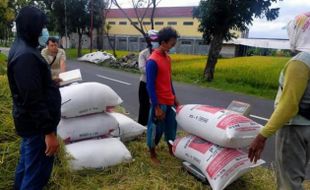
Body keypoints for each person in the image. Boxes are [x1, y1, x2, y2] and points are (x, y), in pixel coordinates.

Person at [248, 12, 310, 190]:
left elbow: (289, 106)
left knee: (289, 182)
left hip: (295, 130)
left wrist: (262, 135)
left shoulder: (301, 62)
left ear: (299, 33)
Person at [7, 6, 61, 189]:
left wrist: (49, 82)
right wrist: (49, 132)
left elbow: (31, 86)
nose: (42, 30)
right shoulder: (26, 56)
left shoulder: (24, 48)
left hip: (31, 125)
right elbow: (33, 99)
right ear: (32, 27)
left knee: (27, 167)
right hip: (37, 128)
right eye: (40, 26)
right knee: (36, 176)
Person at [146, 27, 180, 164]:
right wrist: (156, 107)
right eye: (171, 43)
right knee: (156, 130)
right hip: (159, 102)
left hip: (170, 101)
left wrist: (175, 98)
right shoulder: (152, 61)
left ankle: (171, 149)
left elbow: (168, 80)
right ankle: (152, 153)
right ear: (163, 42)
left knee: (171, 128)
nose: (173, 46)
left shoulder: (168, 59)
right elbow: (150, 86)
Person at [138, 30, 159, 126]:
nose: (154, 43)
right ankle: (142, 126)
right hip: (145, 83)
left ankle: (153, 126)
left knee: (156, 106)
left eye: (156, 41)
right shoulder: (143, 53)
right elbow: (142, 69)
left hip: (157, 84)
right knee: (144, 106)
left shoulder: (160, 54)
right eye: (152, 40)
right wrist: (154, 70)